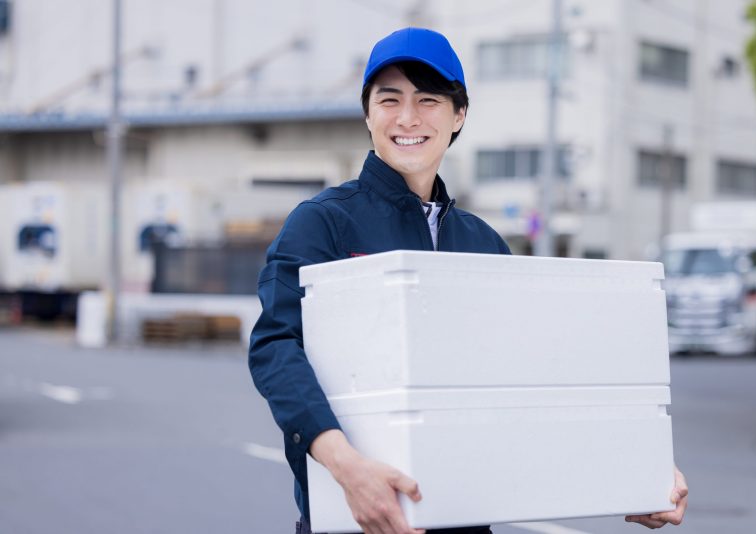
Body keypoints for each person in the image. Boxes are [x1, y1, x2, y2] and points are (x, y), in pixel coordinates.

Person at [249, 27, 688, 534]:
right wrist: (347, 468)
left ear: (459, 116)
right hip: (354, 518)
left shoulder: (484, 244)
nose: (408, 118)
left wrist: (641, 469)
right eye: (389, 99)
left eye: (429, 100)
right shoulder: (322, 222)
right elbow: (275, 347)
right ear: (367, 113)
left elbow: (534, 380)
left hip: (467, 519)